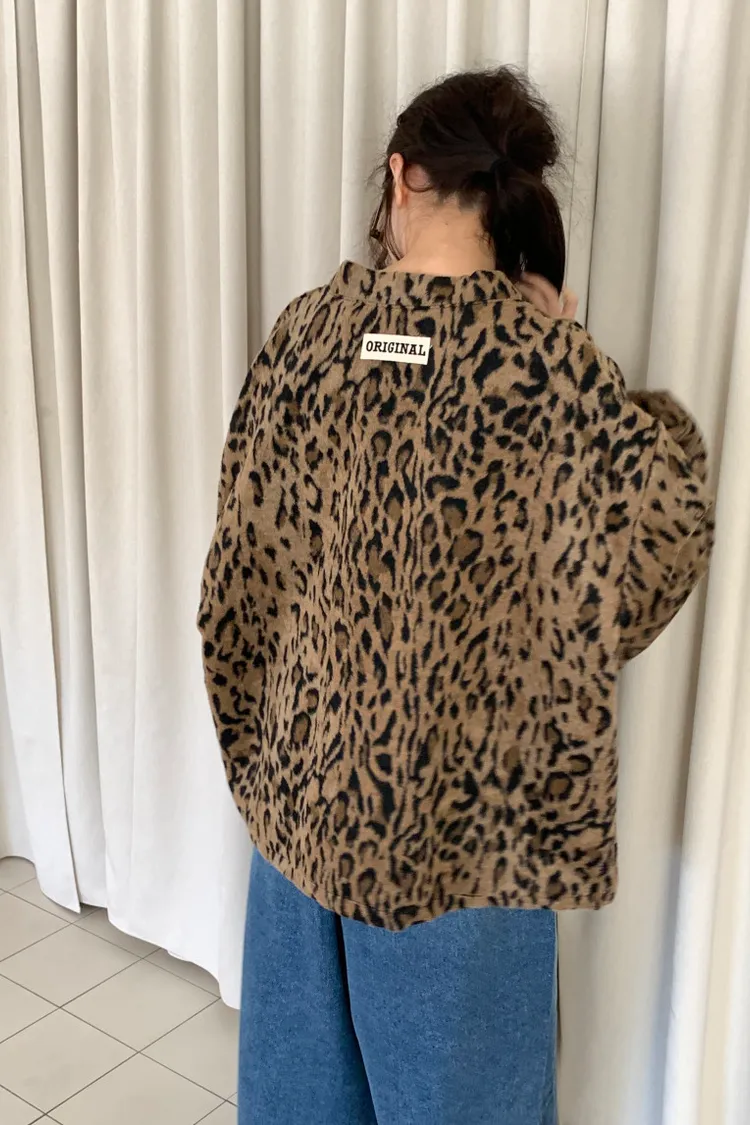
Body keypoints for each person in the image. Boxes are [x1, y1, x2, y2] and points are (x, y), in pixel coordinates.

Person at [198, 68, 714, 1125]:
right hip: (471, 829)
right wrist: (564, 346)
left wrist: (273, 760)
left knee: (300, 1104)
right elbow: (657, 546)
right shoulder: (547, 366)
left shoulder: (307, 336)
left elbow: (237, 583)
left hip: (304, 813)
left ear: (403, 178)